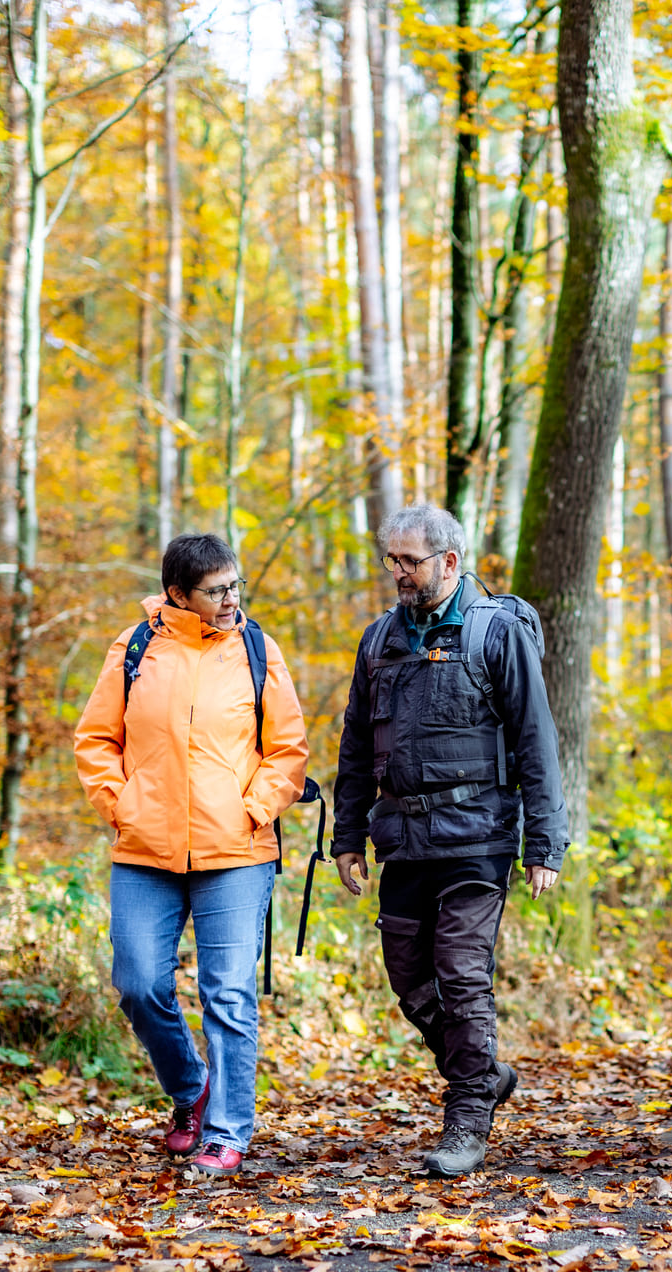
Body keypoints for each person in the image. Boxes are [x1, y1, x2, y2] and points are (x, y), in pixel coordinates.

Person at [333, 503, 570, 1178]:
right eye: (393, 560)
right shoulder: (379, 640)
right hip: (403, 838)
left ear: (450, 561)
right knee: (409, 980)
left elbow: (536, 739)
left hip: (477, 837)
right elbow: (356, 745)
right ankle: (484, 1070)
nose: (399, 573)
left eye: (410, 561)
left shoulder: (497, 633)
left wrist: (544, 842)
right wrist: (348, 834)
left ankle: (467, 1116)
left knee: (462, 976)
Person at [74, 533, 311, 1178]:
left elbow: (287, 750)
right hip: (144, 851)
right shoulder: (135, 648)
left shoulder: (258, 650)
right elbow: (96, 739)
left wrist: (253, 808)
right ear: (178, 594)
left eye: (236, 585)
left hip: (236, 851)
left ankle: (227, 1133)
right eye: (216, 590)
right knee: (138, 984)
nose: (232, 599)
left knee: (227, 993)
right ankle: (191, 1088)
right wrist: (121, 806)